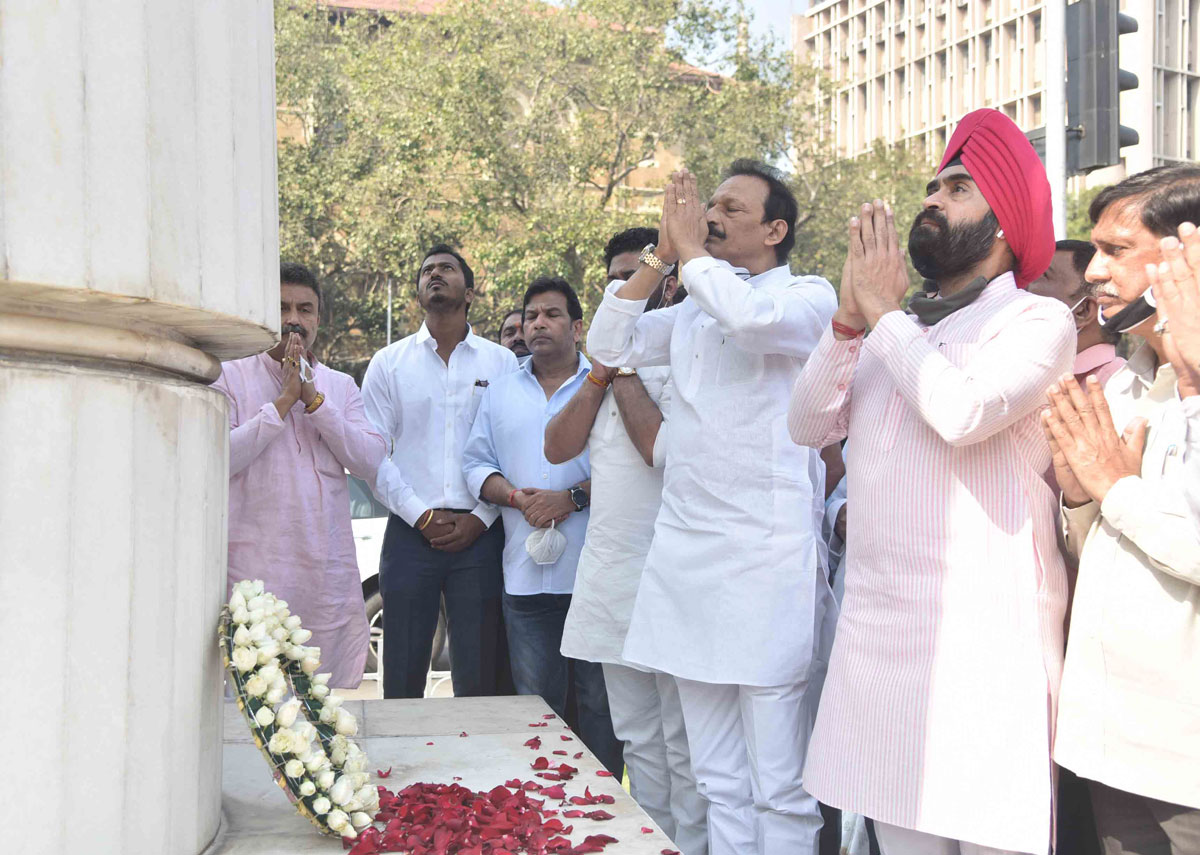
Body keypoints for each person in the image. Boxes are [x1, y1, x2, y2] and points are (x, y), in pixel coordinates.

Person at [789, 109, 1076, 855]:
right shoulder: (895, 329)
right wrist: (851, 321)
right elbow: (807, 424)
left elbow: (962, 410)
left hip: (988, 649)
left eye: (957, 187)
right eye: (931, 186)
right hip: (882, 642)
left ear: (1005, 221)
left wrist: (883, 317)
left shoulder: (1037, 320)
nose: (931, 200)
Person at [587, 161, 837, 855]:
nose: (711, 214)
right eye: (707, 206)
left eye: (729, 206)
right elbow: (607, 347)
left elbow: (751, 322)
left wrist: (691, 253)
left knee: (779, 785)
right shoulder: (692, 305)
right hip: (688, 563)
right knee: (718, 777)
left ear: (775, 229)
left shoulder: (809, 296)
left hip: (766, 563)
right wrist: (658, 256)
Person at [1042, 164, 1200, 854]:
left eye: (1115, 250)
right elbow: (1110, 546)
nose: (1094, 271)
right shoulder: (1133, 381)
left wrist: (1116, 490)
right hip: (1108, 740)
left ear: (1183, 253)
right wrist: (1080, 499)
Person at [545, 227, 707, 855]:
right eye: (615, 279)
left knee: (685, 747)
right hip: (612, 579)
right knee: (638, 740)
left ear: (666, 282)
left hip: (671, 579)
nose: (624, 288)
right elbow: (556, 449)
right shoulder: (600, 371)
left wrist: (625, 367)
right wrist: (599, 376)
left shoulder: (684, 352)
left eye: (636, 275)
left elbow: (654, 449)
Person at [463, 276, 623, 775]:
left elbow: (631, 473)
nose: (538, 324)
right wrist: (513, 496)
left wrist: (570, 499)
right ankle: (548, 816)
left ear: (578, 327)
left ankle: (608, 814)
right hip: (526, 580)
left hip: (596, 577)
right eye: (531, 316)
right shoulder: (500, 390)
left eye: (551, 315)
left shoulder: (609, 382)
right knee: (538, 710)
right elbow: (474, 466)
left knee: (600, 708)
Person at [214, 262, 387, 688]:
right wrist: (281, 404)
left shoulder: (340, 385)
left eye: (304, 309)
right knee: (259, 711)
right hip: (254, 576)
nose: (293, 319)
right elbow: (218, 460)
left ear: (318, 318)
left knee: (323, 714)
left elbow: (370, 461)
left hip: (325, 578)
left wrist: (315, 402)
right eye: (281, 308)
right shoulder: (229, 375)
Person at [361, 245, 518, 700]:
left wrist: (481, 518)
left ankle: (476, 770)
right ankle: (402, 766)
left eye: (446, 268)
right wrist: (420, 516)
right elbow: (373, 454)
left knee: (479, 672)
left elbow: (511, 450)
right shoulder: (388, 363)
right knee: (404, 671)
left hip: (482, 533)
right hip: (411, 533)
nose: (434, 274)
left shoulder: (501, 363)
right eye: (427, 270)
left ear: (469, 293)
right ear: (418, 292)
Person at [1030, 239, 1126, 387]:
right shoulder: (1032, 371)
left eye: (1043, 275)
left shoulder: (1118, 385)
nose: (1023, 285)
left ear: (1083, 310)